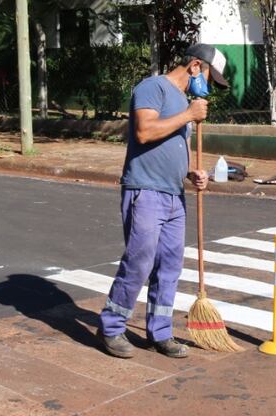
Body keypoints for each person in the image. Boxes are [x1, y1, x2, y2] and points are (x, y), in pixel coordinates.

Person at [97, 43, 229, 359]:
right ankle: (112, 327)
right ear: (196, 66)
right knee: (140, 260)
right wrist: (188, 114)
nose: (209, 87)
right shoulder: (152, 87)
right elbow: (143, 132)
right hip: (144, 191)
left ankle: (160, 332)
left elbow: (171, 149)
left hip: (174, 195)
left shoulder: (184, 101)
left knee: (169, 266)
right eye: (211, 78)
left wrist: (192, 173)